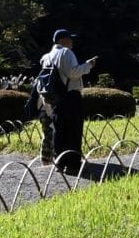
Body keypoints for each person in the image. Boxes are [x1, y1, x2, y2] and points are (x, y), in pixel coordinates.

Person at [38, 28, 97, 172]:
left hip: (54, 97)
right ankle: (73, 165)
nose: (72, 42)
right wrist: (88, 65)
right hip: (70, 96)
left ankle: (60, 162)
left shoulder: (46, 57)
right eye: (70, 39)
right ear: (63, 40)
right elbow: (73, 72)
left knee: (60, 130)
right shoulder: (66, 52)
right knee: (73, 131)